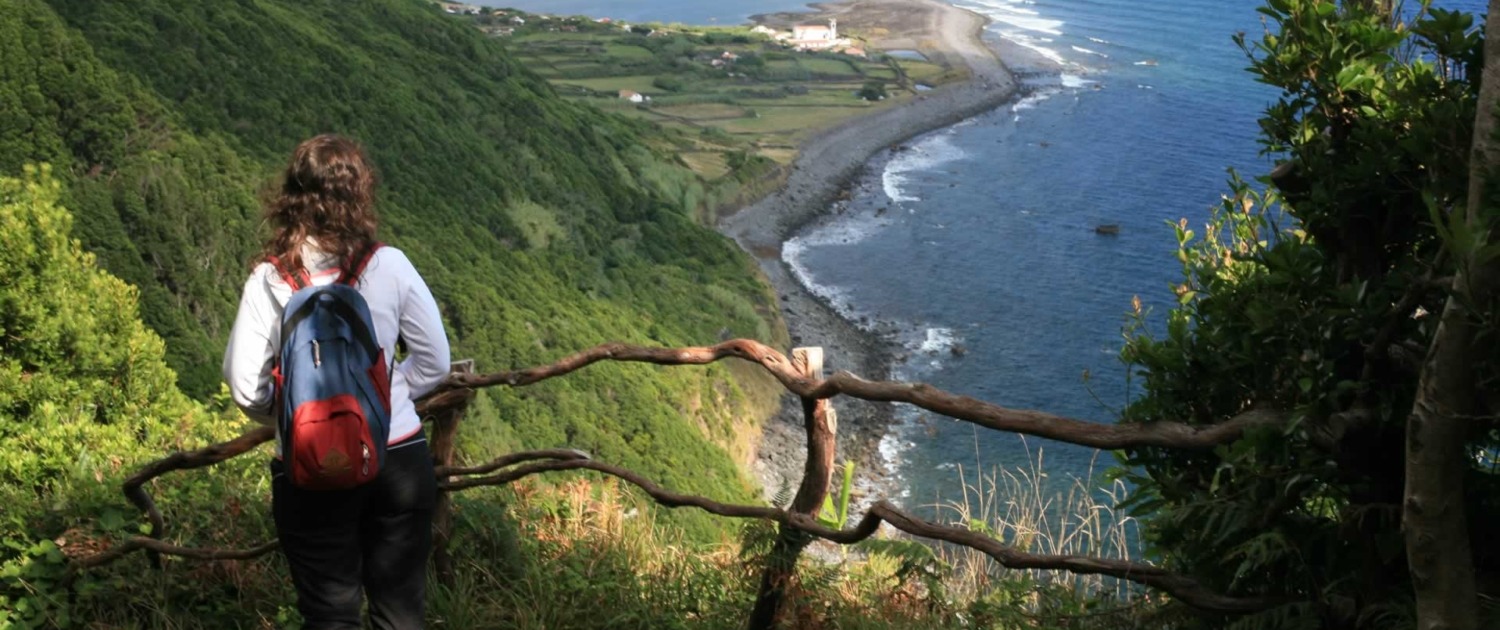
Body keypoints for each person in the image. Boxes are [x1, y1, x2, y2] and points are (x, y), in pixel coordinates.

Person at [223, 134, 451, 629]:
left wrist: (296, 418)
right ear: (360, 193)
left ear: (291, 195)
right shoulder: (388, 264)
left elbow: (245, 385)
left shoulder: (270, 278)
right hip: (396, 459)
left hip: (308, 467)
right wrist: (382, 402)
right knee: (399, 612)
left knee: (330, 615)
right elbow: (435, 362)